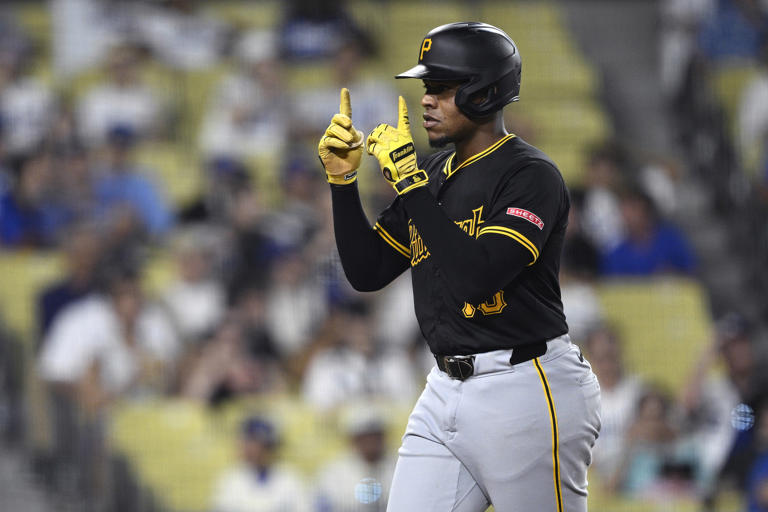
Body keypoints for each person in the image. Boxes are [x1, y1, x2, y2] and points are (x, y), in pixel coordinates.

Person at [317, 22, 601, 511]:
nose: (427, 100)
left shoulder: (529, 175)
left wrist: (409, 185)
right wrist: (343, 184)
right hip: (443, 389)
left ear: (486, 93)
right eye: (427, 88)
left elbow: (477, 277)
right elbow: (366, 274)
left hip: (526, 386)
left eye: (443, 89)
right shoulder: (429, 172)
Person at [210, 415, 310, 512]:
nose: (250, 448)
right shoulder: (231, 478)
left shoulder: (290, 477)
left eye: (256, 443)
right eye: (248, 442)